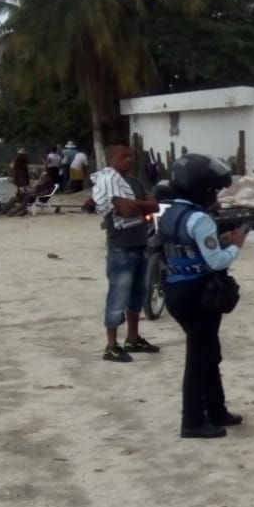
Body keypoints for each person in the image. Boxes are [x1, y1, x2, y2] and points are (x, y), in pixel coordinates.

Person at [159, 153, 246, 439]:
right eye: (213, 189)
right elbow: (217, 262)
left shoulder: (168, 212)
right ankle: (193, 420)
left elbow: (183, 248)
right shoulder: (201, 219)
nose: (215, 195)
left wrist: (218, 244)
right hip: (200, 295)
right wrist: (235, 246)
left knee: (208, 352)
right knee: (199, 357)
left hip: (175, 290)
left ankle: (217, 410)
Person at [91, 141, 162, 363]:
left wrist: (137, 205)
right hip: (120, 247)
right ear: (111, 159)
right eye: (124, 156)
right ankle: (111, 346)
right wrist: (141, 206)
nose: (129, 159)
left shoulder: (134, 182)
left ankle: (133, 338)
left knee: (138, 295)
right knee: (117, 297)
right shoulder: (108, 181)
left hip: (142, 244)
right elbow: (126, 209)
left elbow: (154, 205)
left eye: (131, 156)